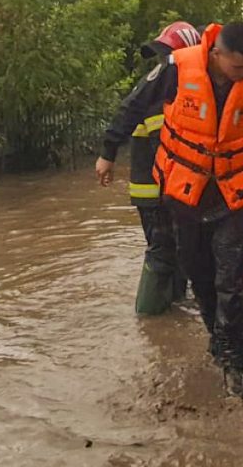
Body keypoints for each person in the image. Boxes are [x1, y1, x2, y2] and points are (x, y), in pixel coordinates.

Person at [105, 22, 243, 399]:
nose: (242, 75)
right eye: (236, 68)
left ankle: (235, 367)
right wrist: (108, 151)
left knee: (231, 280)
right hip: (185, 194)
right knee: (199, 276)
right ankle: (216, 339)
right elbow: (135, 103)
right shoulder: (176, 68)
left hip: (231, 195)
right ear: (217, 54)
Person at [96, 21, 201, 315]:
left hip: (165, 188)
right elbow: (128, 113)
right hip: (156, 189)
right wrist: (108, 152)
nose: (163, 61)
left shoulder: (174, 93)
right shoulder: (160, 90)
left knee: (177, 249)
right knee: (163, 249)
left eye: (167, 54)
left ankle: (174, 306)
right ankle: (149, 317)